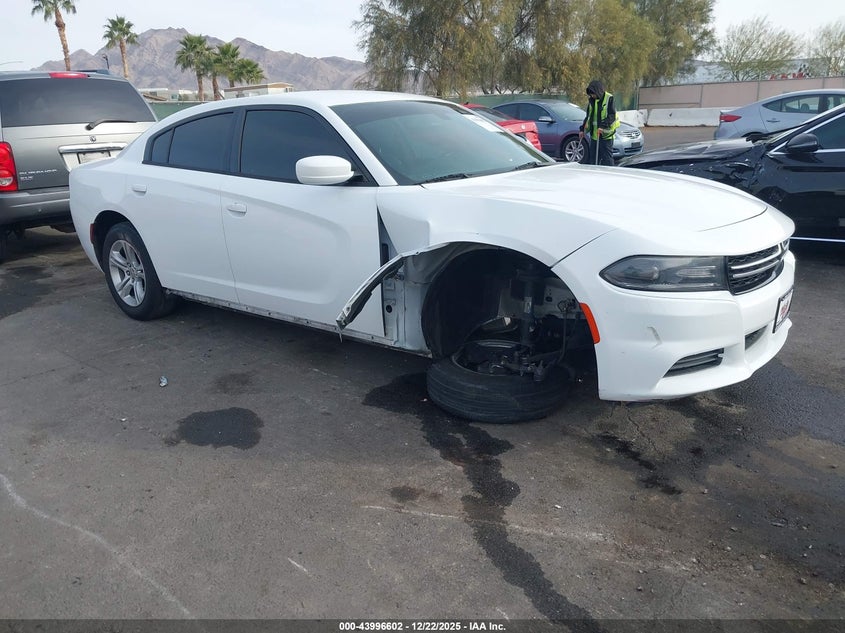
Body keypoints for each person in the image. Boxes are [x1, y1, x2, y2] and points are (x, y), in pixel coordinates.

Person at [579, 80, 619, 166]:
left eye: (593, 93)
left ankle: (609, 175)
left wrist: (603, 127)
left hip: (605, 136)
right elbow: (588, 117)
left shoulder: (609, 98)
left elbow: (612, 115)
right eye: (590, 94)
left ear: (598, 91)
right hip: (594, 136)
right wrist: (582, 129)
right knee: (593, 159)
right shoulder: (592, 101)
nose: (592, 96)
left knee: (607, 159)